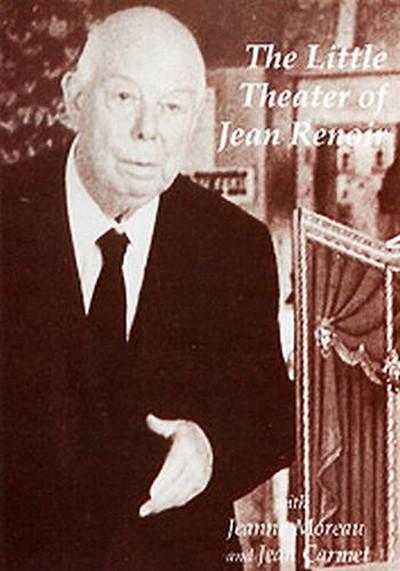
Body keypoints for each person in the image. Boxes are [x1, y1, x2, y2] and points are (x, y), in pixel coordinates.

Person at [1, 6, 294, 571]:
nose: (148, 130)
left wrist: (210, 449)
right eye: (124, 97)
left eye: (173, 106)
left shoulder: (234, 244)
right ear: (75, 99)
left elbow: (270, 412)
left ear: (195, 116)